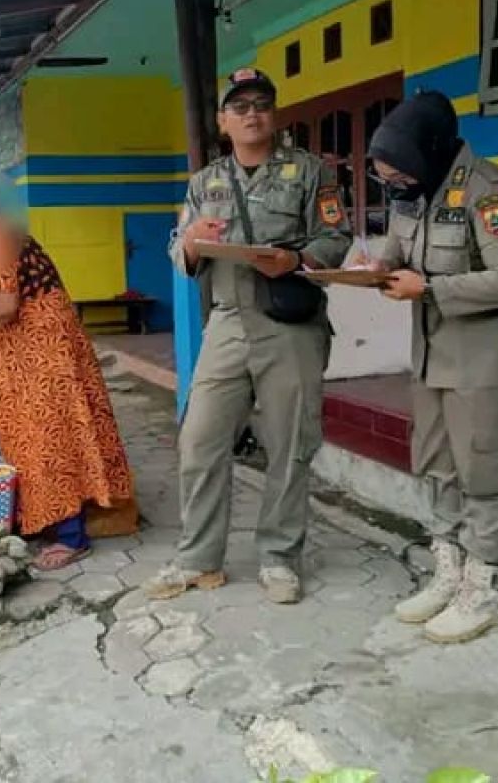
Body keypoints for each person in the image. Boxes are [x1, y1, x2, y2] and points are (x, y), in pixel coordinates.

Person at [146, 68, 351, 605]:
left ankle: (280, 558)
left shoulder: (309, 172)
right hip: (228, 320)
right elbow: (181, 254)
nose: (252, 114)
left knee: (289, 444)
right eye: (240, 107)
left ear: (274, 114)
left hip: (288, 323)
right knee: (200, 437)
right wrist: (191, 242)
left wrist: (297, 259)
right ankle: (199, 558)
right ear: (223, 121)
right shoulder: (204, 182)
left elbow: (336, 237)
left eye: (261, 104)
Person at [367, 90, 498, 644]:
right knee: (436, 464)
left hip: (491, 360)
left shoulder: (491, 192)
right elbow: (400, 247)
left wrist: (428, 288)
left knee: (486, 470)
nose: (394, 184)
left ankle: (484, 585)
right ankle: (448, 571)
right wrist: (374, 266)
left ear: (427, 151)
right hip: (435, 355)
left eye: (398, 173)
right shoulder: (416, 191)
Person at [0, 169, 138, 571]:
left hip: (39, 347)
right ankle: (54, 517)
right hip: (37, 343)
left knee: (48, 435)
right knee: (48, 432)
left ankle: (71, 536)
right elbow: (7, 291)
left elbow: (7, 305)